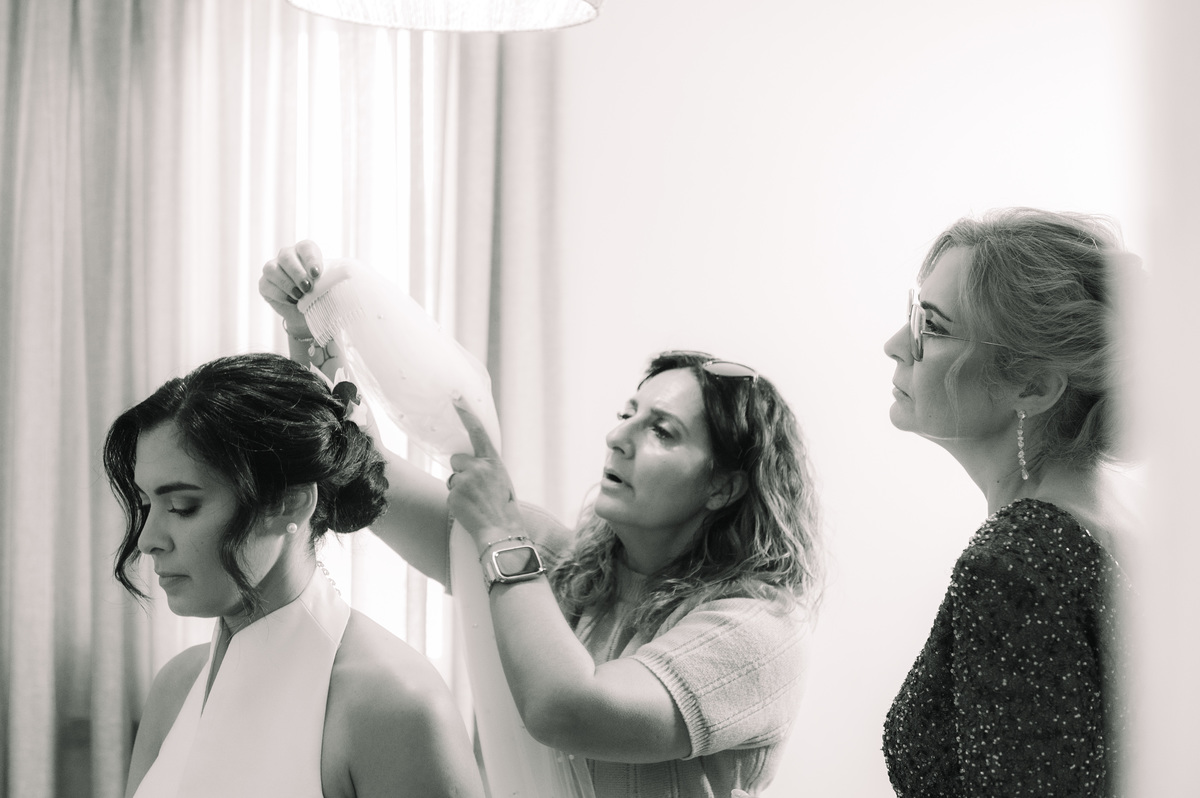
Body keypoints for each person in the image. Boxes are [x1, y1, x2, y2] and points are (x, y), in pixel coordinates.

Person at [260, 242, 825, 798]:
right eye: (627, 414)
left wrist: (499, 532)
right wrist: (310, 328)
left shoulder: (758, 632)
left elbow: (570, 710)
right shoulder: (562, 569)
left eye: (661, 430)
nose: (617, 437)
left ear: (723, 486)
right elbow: (359, 474)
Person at [104, 353, 485, 798]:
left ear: (289, 504)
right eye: (146, 504)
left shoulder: (394, 705)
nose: (147, 540)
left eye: (181, 507)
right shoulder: (175, 686)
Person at [881, 208, 1136, 797]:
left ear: (1034, 386)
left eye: (930, 327)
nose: (894, 345)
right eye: (913, 313)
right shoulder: (1120, 531)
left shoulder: (1017, 564)